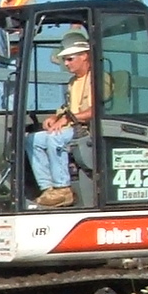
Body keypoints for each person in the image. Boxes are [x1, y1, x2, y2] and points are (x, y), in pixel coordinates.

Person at [26, 33, 104, 208]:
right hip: (71, 126)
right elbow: (67, 107)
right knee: (33, 140)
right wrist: (56, 117)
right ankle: (48, 188)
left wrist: (69, 118)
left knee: (55, 138)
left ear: (84, 56)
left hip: (87, 129)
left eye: (70, 59)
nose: (66, 64)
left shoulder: (98, 79)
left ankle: (63, 189)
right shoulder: (72, 82)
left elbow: (96, 110)